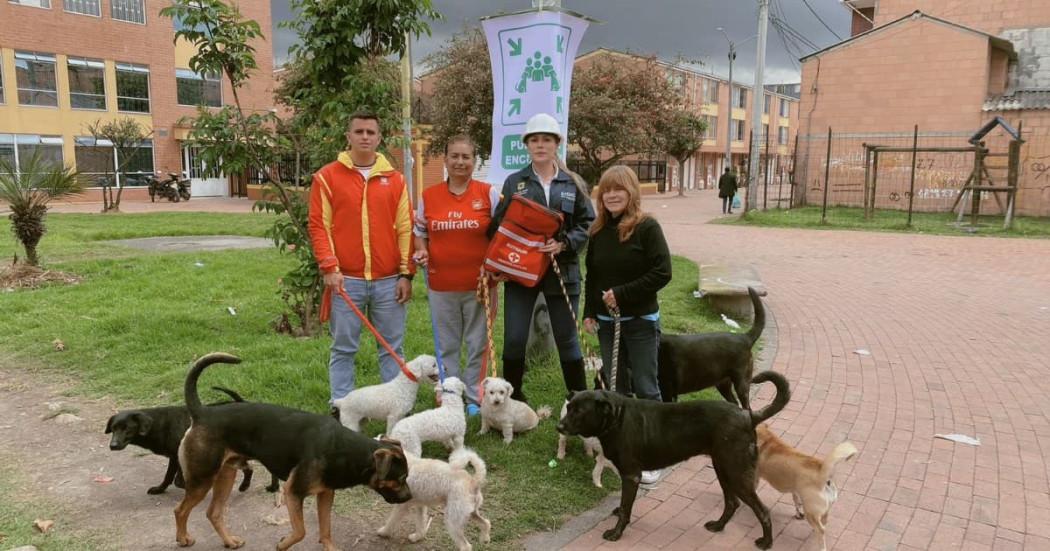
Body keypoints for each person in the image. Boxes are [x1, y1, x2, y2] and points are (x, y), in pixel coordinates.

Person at [308, 111, 415, 406]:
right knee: (344, 348)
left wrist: (406, 274)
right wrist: (330, 266)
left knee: (391, 347)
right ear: (348, 137)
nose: (365, 136)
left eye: (371, 132)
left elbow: (405, 226)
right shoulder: (327, 177)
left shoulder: (395, 180)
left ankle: (395, 408)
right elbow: (319, 225)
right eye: (359, 131)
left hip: (389, 280)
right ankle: (341, 407)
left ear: (379, 138)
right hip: (346, 280)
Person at [488, 113, 595, 402]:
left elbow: (588, 224)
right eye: (534, 139)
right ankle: (513, 401)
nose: (540, 144)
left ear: (556, 143)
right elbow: (499, 227)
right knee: (514, 339)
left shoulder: (573, 183)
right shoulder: (514, 182)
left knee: (567, 340)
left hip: (563, 272)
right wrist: (499, 264)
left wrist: (564, 244)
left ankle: (579, 402)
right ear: (526, 145)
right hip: (521, 274)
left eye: (546, 139)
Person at [582, 164, 672, 485]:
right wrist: (590, 311)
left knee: (647, 388)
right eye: (606, 189)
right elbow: (593, 275)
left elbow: (663, 272)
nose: (611, 195)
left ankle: (655, 454)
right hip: (607, 324)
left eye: (618, 189)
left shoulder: (647, 228)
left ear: (631, 192)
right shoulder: (598, 231)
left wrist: (622, 294)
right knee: (616, 388)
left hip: (640, 322)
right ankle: (624, 448)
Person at [412, 135, 500, 417]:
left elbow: (503, 236)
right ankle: (449, 393)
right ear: (446, 159)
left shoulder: (489, 194)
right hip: (441, 286)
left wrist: (494, 270)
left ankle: (475, 397)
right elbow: (420, 234)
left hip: (480, 286)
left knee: (478, 344)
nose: (460, 162)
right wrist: (422, 252)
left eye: (466, 157)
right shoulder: (429, 196)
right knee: (447, 345)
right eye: (454, 156)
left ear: (475, 161)